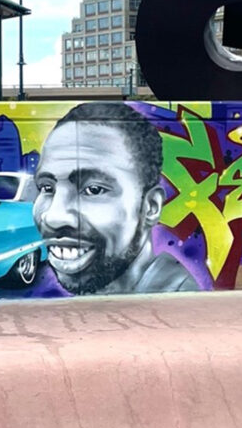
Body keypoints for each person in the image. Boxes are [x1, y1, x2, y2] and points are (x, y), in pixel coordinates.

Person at [32, 101, 199, 295]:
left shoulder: (175, 305)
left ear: (151, 206)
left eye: (94, 190)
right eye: (46, 187)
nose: (54, 217)